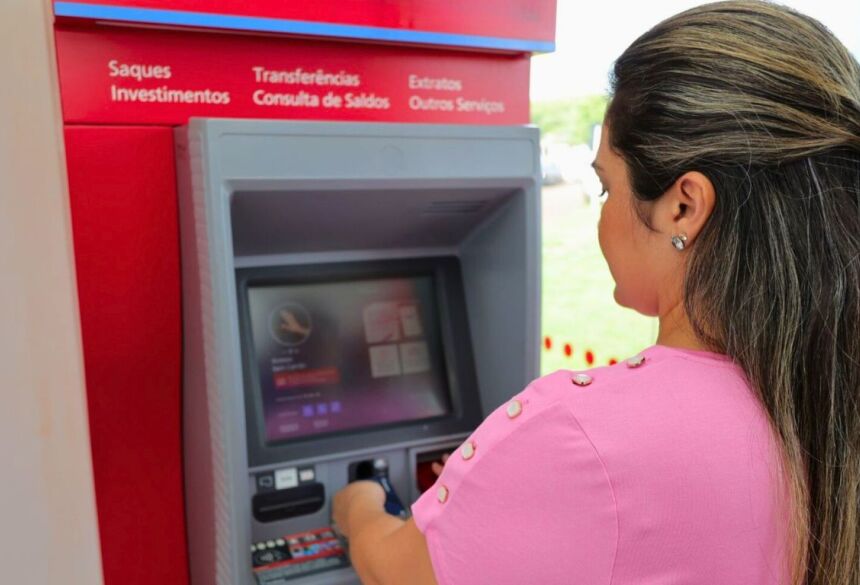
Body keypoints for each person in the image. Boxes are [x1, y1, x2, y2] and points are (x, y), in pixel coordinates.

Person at [332, 1, 860, 583]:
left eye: (607, 187)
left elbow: (396, 572)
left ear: (683, 206)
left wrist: (358, 507)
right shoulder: (830, 396)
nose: (603, 216)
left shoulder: (575, 436)